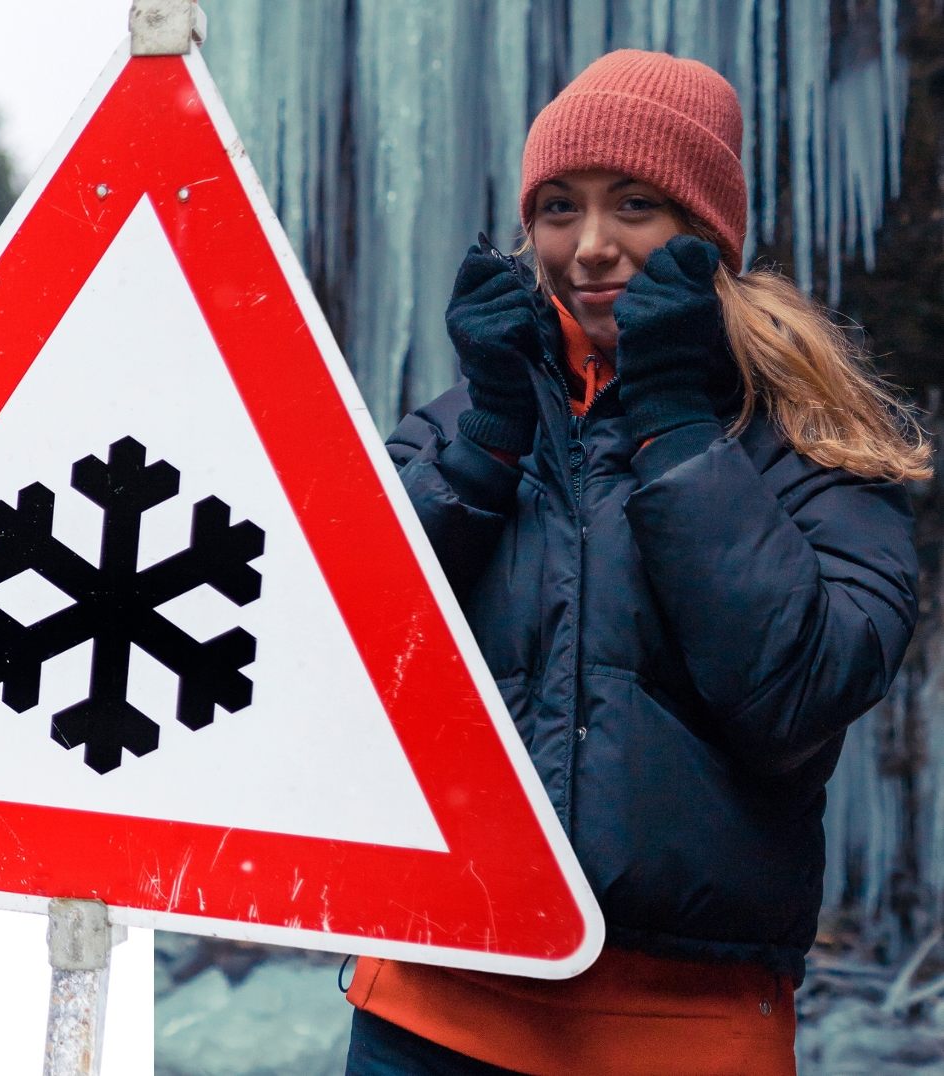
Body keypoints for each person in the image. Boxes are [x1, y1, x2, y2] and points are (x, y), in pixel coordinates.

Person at [344, 48, 931, 1075]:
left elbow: (797, 694)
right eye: (559, 208)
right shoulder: (458, 426)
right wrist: (484, 442)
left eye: (635, 205)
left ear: (704, 234)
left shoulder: (818, 443)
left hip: (683, 1028)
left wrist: (673, 424)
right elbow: (344, 649)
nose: (591, 247)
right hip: (433, 1006)